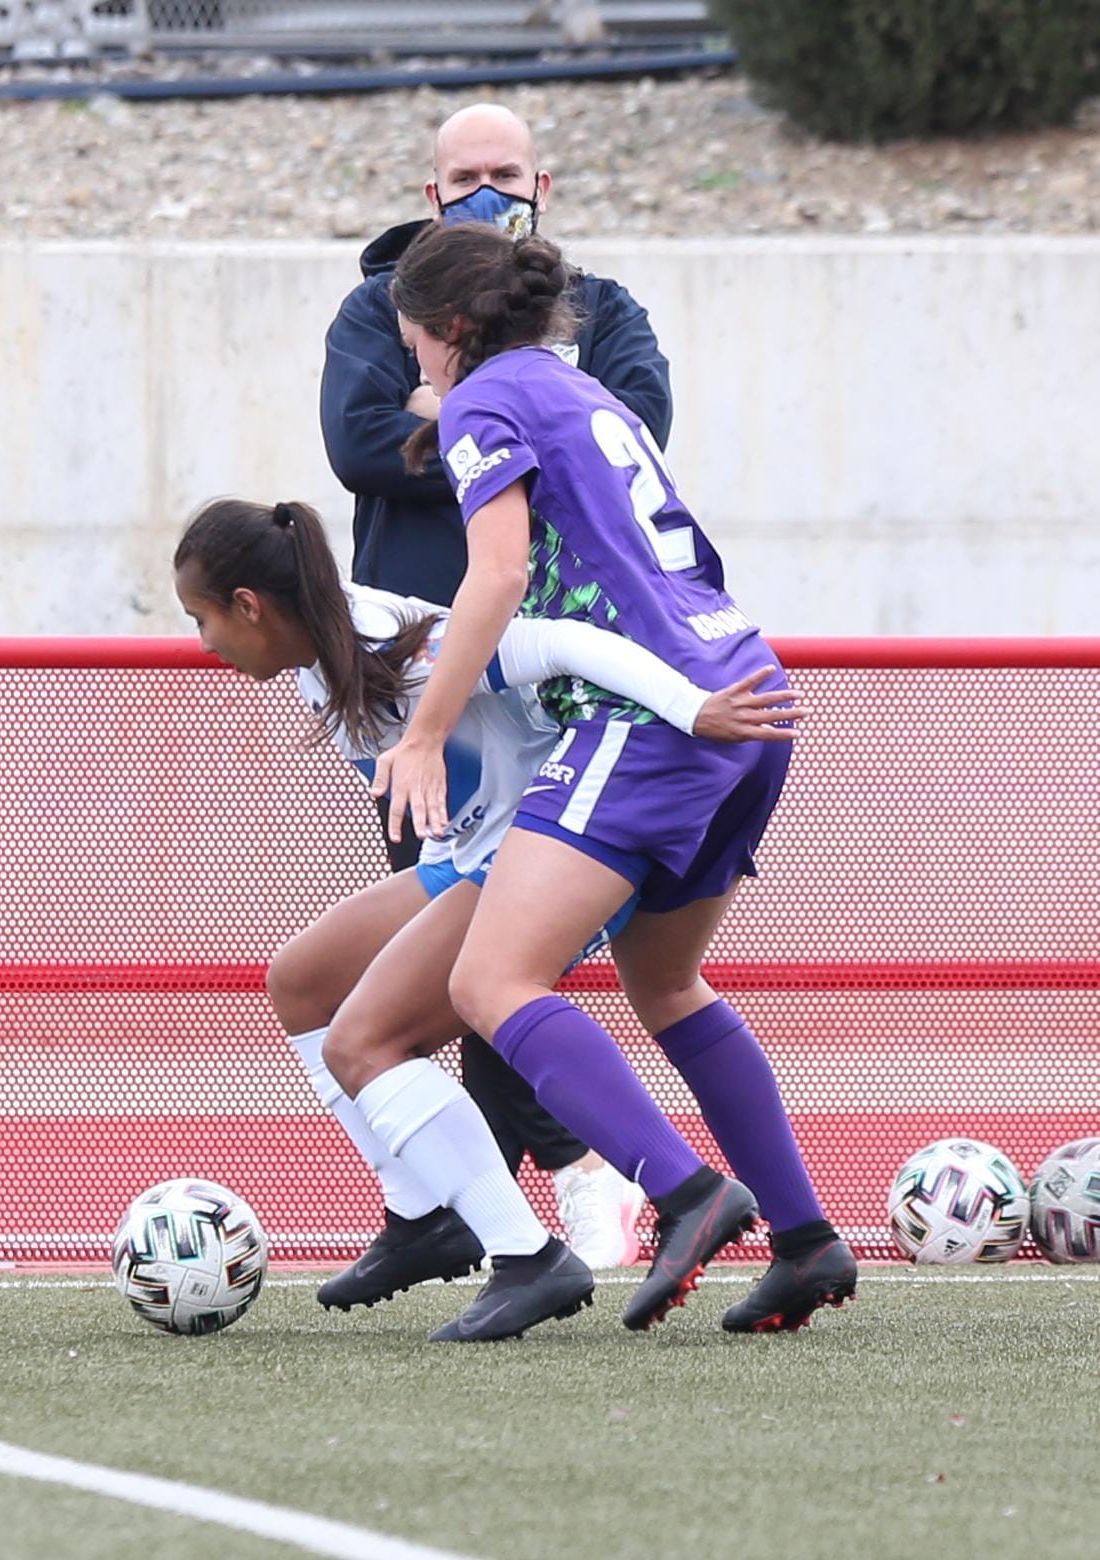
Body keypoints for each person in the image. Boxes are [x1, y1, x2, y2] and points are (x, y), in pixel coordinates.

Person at [362, 220, 857, 1342]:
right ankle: (804, 1239)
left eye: (413, 343)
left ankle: (686, 1193)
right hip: (743, 689)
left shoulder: (488, 399)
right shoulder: (577, 389)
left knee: (494, 982)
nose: (414, 367)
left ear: (447, 330)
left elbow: (492, 574)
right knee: (668, 983)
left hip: (656, 714)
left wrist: (429, 728)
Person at [172, 496, 809, 1329]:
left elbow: (561, 642)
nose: (203, 642)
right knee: (301, 982)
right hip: (473, 855)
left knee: (362, 1040)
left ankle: (526, 1254)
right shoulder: (316, 660)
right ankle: (424, 1215)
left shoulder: (384, 644)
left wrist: (693, 707)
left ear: (249, 606)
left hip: (547, 849)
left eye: (201, 619)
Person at [320, 101, 673, 1264]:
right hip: (424, 689)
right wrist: (503, 425)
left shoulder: (604, 306)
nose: (485, 189)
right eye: (463, 175)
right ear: (430, 193)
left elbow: (633, 433)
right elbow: (357, 441)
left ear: (543, 184)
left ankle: (573, 1183)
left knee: (498, 962)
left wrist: (460, 419)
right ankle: (444, 1208)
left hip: (556, 679)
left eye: (504, 173)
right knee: (425, 959)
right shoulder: (378, 305)